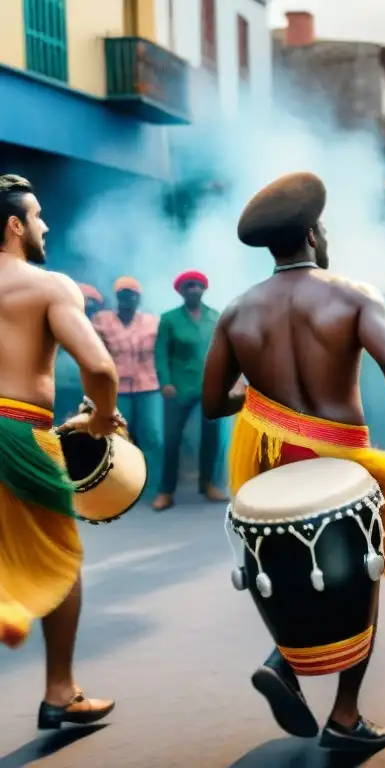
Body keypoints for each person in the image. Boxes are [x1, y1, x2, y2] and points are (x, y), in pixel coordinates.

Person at [202, 172, 385, 758]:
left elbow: (214, 401)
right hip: (340, 461)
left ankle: (283, 663)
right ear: (314, 233)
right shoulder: (353, 294)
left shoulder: (236, 313)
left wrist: (264, 399)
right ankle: (343, 716)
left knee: (293, 569)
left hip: (270, 458)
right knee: (360, 576)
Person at [0, 174, 121, 727]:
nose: (47, 225)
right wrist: (99, 417)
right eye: (39, 215)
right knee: (60, 560)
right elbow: (98, 367)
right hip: (20, 436)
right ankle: (59, 692)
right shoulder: (49, 286)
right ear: (15, 226)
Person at [153, 270, 227, 511]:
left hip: (210, 386)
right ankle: (166, 491)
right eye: (188, 286)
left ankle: (208, 485)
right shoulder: (169, 319)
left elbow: (223, 353)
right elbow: (161, 354)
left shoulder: (215, 317)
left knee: (211, 438)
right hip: (178, 389)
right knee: (172, 439)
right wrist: (165, 382)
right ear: (181, 291)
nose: (193, 289)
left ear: (204, 289)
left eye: (197, 285)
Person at [91, 276, 162, 500]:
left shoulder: (152, 322)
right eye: (122, 294)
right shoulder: (102, 320)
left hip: (148, 385)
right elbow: (94, 351)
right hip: (116, 387)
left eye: (132, 294)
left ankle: (152, 485)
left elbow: (162, 351)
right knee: (119, 436)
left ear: (139, 298)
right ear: (117, 297)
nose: (127, 299)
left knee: (152, 435)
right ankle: (120, 486)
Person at [53, 284, 104, 421]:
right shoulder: (56, 323)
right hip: (60, 385)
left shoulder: (99, 329)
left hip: (85, 387)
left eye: (91, 309)